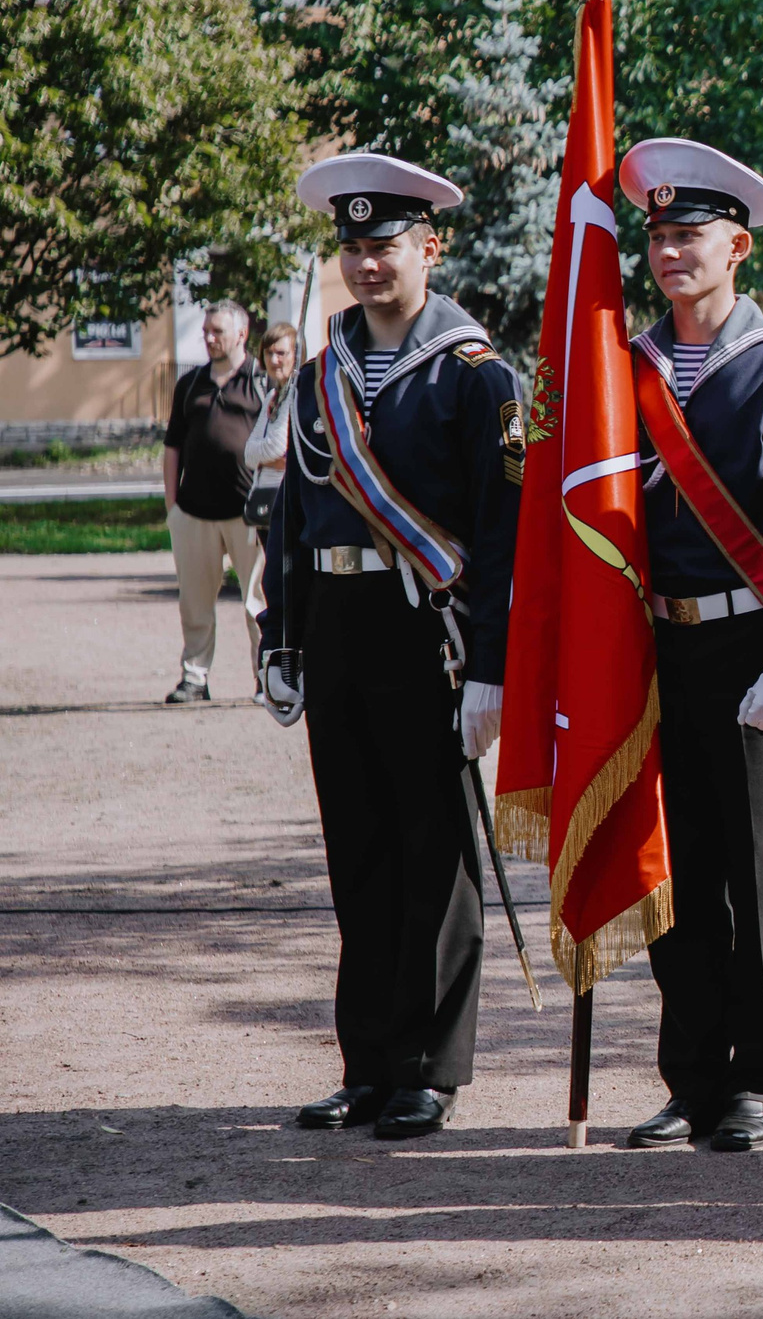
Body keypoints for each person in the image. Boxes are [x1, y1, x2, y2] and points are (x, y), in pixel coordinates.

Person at [256, 153, 521, 1141]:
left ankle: (430, 1066)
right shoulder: (321, 371)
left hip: (429, 635)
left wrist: (490, 668)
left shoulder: (475, 375)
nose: (367, 265)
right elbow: (294, 514)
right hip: (336, 627)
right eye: (354, 248)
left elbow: (501, 535)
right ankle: (366, 1060)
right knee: (357, 850)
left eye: (386, 246)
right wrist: (282, 638)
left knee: (434, 852)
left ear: (430, 247)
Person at [612, 140, 763, 1155]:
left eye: (688, 235)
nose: (668, 251)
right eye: (656, 234)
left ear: (737, 246)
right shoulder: (627, 367)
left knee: (757, 873)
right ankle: (691, 1075)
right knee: (680, 875)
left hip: (753, 649)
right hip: (661, 648)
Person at [162, 299, 266, 703]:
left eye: (217, 331)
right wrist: (173, 507)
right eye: (206, 330)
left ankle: (267, 678)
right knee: (195, 603)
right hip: (194, 513)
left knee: (259, 602)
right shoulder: (189, 385)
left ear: (241, 334)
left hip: (251, 514)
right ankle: (195, 678)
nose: (208, 338)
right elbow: (172, 448)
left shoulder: (262, 380)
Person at [242, 321, 302, 536]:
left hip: (289, 502)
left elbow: (276, 447)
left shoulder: (297, 392)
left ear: (296, 355)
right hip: (264, 502)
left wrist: (265, 458)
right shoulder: (272, 397)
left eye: (282, 353)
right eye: (269, 353)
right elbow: (248, 454)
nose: (274, 360)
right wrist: (270, 459)